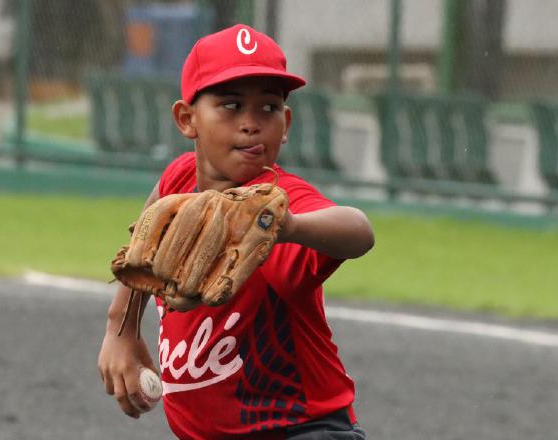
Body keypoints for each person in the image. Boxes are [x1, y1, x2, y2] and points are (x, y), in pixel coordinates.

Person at [98, 24, 374, 439]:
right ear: (186, 119)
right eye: (230, 105)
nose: (251, 123)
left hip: (302, 429)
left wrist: (289, 227)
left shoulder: (278, 204)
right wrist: (121, 328)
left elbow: (358, 231)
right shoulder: (179, 178)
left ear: (287, 122)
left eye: (268, 108)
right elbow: (144, 241)